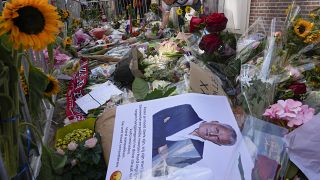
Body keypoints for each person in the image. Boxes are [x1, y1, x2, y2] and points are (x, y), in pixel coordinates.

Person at [152, 104, 237, 176]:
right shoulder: (187, 110)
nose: (212, 134)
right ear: (215, 122)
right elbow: (155, 118)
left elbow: (160, 171)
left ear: (216, 143)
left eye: (217, 138)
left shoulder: (197, 153)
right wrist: (162, 144)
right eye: (216, 130)